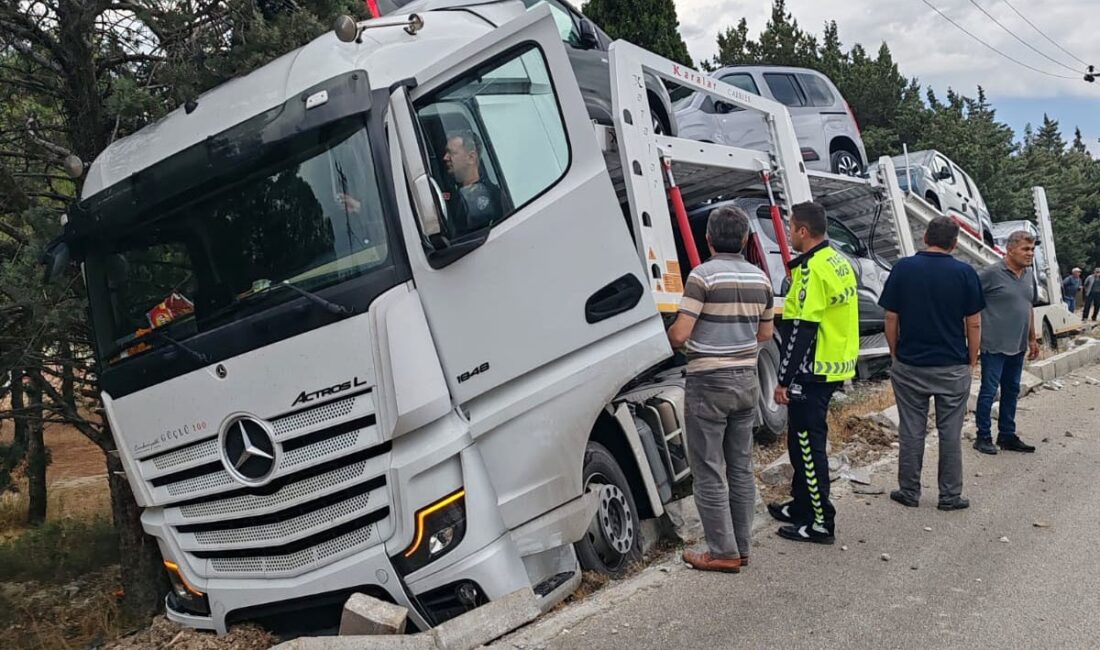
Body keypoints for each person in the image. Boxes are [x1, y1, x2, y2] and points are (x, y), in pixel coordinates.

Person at [667, 206, 775, 573]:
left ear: (708, 239)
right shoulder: (761, 279)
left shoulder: (702, 276)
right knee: (741, 467)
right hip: (746, 380)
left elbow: (681, 333)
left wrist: (674, 340)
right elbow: (766, 335)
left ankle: (721, 552)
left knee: (709, 468)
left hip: (708, 383)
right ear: (745, 240)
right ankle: (741, 548)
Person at [767, 202, 859, 545]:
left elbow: (801, 330)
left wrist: (783, 379)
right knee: (799, 441)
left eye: (791, 229)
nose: (790, 235)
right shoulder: (839, 261)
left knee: (808, 446)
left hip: (812, 370)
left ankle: (821, 522)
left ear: (803, 231)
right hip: (833, 364)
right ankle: (802, 505)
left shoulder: (811, 270)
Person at [878, 218, 983, 511]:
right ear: (955, 243)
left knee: (911, 429)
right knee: (950, 432)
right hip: (951, 365)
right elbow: (973, 322)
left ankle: (909, 491)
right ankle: (950, 496)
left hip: (910, 364)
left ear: (925, 237)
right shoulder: (965, 272)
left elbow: (890, 317)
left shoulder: (903, 269)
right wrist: (971, 359)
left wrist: (895, 352)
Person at [974, 230, 1042, 455]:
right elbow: (970, 302)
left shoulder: (1028, 275)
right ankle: (982, 436)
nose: (1030, 253)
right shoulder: (991, 274)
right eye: (1025, 249)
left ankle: (1007, 435)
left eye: (1032, 249)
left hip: (1018, 345)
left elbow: (1027, 307)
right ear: (1009, 249)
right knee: (989, 391)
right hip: (994, 345)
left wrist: (1033, 338)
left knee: (1012, 390)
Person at [442, 131, 502, 233]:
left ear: (471, 158)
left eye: (451, 153)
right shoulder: (449, 192)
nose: (445, 158)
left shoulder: (491, 195)